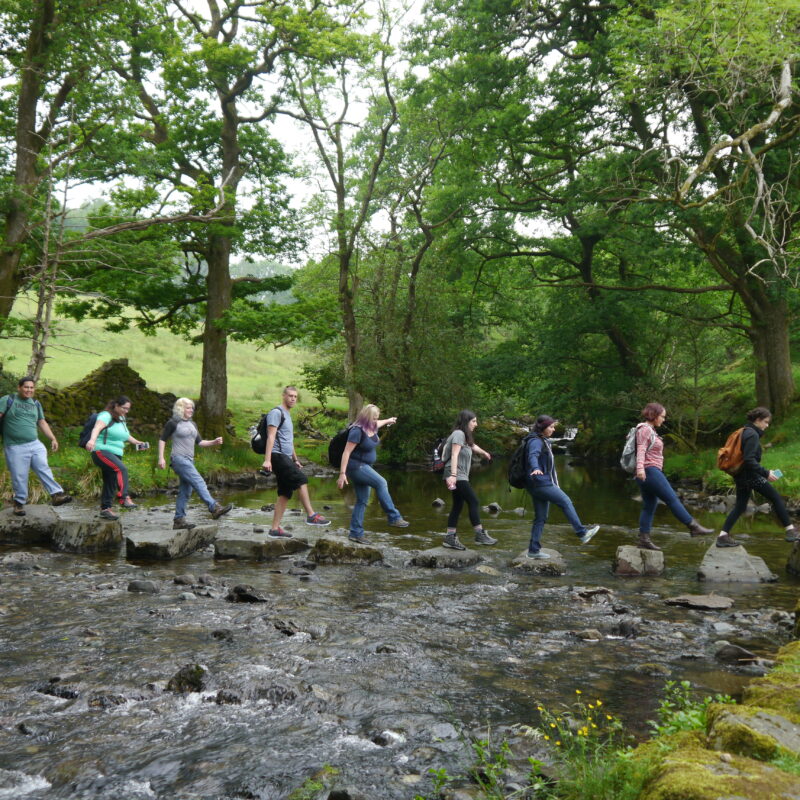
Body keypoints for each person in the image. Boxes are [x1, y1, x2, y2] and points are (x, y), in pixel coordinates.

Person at [634, 402, 714, 550]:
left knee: (649, 506)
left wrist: (640, 471)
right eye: (662, 416)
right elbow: (641, 450)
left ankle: (644, 539)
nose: (664, 419)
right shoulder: (645, 429)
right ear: (654, 415)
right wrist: (640, 469)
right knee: (672, 499)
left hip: (646, 473)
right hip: (649, 471)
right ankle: (693, 526)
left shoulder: (649, 430)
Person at [716, 407, 797, 548]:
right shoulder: (752, 434)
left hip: (740, 475)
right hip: (750, 476)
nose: (767, 425)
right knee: (776, 498)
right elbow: (749, 460)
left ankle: (722, 536)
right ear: (758, 420)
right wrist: (766, 473)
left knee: (740, 506)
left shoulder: (743, 431)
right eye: (765, 422)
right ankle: (790, 531)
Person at [525, 415, 599, 559]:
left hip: (535, 483)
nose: (553, 430)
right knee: (565, 501)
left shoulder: (540, 440)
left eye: (554, 427)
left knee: (540, 517)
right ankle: (582, 533)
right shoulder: (536, 441)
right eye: (551, 427)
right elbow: (532, 456)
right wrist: (535, 467)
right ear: (543, 427)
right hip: (540, 482)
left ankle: (533, 550)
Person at [261, 386, 329, 537]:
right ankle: (311, 515)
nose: (293, 398)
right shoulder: (276, 413)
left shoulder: (287, 415)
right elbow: (271, 437)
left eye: (295, 396)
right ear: (283, 396)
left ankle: (274, 529)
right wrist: (267, 460)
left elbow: (289, 441)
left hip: (285, 457)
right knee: (301, 480)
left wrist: (295, 459)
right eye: (290, 396)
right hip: (276, 456)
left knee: (285, 493)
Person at [336, 404, 409, 543]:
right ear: (366, 417)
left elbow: (379, 424)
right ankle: (393, 517)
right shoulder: (357, 431)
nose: (375, 420)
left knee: (362, 501)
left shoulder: (371, 426)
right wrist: (342, 473)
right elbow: (346, 452)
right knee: (381, 482)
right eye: (373, 418)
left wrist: (388, 420)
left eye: (377, 418)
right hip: (356, 467)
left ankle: (355, 533)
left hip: (365, 466)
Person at [0, 376, 72, 516]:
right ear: (19, 387)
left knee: (43, 468)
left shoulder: (35, 403)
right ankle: (19, 503)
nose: (29, 390)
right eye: (26, 387)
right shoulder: (8, 400)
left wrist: (53, 438)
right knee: (20, 475)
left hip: (35, 444)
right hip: (15, 447)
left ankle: (56, 495)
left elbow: (42, 422)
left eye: (31, 387)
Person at [157, 397, 232, 530]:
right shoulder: (173, 423)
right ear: (180, 408)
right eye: (188, 407)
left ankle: (178, 520)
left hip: (189, 460)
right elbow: (162, 440)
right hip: (179, 459)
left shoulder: (193, 424)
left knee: (186, 491)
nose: (191, 410)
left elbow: (200, 443)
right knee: (199, 482)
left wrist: (213, 442)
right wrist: (161, 458)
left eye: (192, 407)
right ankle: (214, 507)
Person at [440, 410, 496, 550]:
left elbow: (472, 446)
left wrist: (484, 453)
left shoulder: (464, 436)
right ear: (466, 422)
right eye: (474, 421)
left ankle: (450, 537)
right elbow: (454, 454)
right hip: (456, 474)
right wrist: (453, 475)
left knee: (458, 505)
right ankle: (479, 535)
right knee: (474, 501)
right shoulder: (458, 434)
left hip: (459, 475)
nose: (476, 424)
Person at [85, 395, 147, 520]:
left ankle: (106, 509)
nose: (126, 411)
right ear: (116, 405)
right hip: (102, 451)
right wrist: (92, 440)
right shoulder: (106, 415)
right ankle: (124, 498)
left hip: (116, 453)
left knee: (111, 480)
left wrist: (137, 442)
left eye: (128, 409)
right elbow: (97, 428)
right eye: (124, 408)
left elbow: (126, 435)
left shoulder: (122, 418)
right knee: (121, 469)